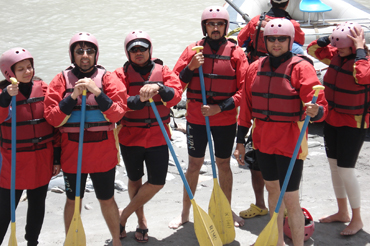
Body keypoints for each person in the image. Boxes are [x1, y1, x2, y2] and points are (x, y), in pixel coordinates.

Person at [234, 18, 328, 246]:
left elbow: (320, 108)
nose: (276, 43)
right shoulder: (255, 68)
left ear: (290, 41)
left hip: (290, 144)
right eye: (272, 39)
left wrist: (315, 111)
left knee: (291, 199)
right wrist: (240, 140)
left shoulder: (301, 67)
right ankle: (276, 242)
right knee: (273, 191)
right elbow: (246, 107)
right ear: (265, 41)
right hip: (263, 142)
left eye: (281, 39)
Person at [168, 6, 248, 229]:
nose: (215, 28)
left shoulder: (236, 53)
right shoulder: (192, 51)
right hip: (196, 118)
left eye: (219, 24)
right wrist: (191, 68)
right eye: (211, 24)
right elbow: (175, 86)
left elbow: (244, 91)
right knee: (194, 165)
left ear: (225, 27)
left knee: (223, 164)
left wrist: (220, 108)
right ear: (205, 27)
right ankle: (185, 212)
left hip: (224, 119)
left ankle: (226, 209)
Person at [44, 32, 127, 246]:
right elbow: (53, 118)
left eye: (90, 51)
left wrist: (97, 93)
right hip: (73, 153)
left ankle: (117, 240)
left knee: (106, 198)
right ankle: (71, 239)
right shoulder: (62, 79)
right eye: (79, 51)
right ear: (72, 55)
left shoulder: (107, 78)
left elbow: (118, 113)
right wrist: (72, 97)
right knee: (73, 199)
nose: (85, 56)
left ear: (96, 55)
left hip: (103, 152)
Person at [113, 30, 182, 243]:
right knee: (135, 179)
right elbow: (118, 102)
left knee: (157, 181)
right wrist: (142, 97)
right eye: (133, 50)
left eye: (142, 48)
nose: (138, 53)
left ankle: (123, 215)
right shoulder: (118, 74)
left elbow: (176, 95)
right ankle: (141, 221)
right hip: (130, 136)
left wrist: (159, 86)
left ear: (149, 50)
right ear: (128, 53)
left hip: (158, 136)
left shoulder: (164, 70)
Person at [307, 21, 370, 236]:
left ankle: (357, 218)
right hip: (332, 119)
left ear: (354, 45)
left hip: (353, 123)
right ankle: (342, 212)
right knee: (334, 167)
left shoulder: (365, 62)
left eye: (344, 45)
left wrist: (360, 48)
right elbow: (313, 49)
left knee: (346, 169)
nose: (339, 48)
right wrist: (326, 39)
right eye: (337, 43)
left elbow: (362, 76)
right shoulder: (336, 56)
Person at [0, 47, 61, 246]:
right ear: (9, 73)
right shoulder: (2, 93)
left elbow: (55, 125)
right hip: (12, 164)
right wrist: (5, 98)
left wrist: (57, 159)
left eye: (29, 67)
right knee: (5, 210)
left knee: (37, 204)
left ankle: (32, 242)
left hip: (42, 159)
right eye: (21, 69)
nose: (28, 72)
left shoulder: (42, 88)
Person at [237, 0, 305, 63]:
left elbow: (241, 42)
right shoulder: (293, 24)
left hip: (257, 64)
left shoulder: (255, 21)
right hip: (283, 66)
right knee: (298, 50)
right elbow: (300, 42)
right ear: (287, 3)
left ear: (271, 2)